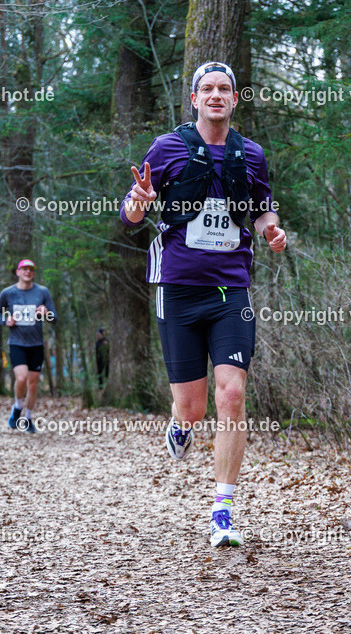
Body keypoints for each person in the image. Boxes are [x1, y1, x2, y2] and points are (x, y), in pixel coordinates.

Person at [119, 61, 287, 547]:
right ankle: (179, 423)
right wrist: (141, 199)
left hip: (231, 291)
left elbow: (262, 208)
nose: (216, 95)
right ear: (193, 99)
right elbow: (131, 213)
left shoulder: (251, 154)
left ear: (235, 99)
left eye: (224, 89)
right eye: (207, 89)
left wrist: (272, 230)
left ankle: (223, 512)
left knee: (232, 395)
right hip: (178, 290)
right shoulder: (168, 147)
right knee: (192, 409)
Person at [0, 259, 56, 433]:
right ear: (18, 272)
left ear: (34, 273)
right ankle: (17, 407)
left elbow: (54, 318)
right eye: (24, 269)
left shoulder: (42, 292)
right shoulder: (8, 293)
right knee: (21, 378)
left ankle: (28, 418)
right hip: (17, 343)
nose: (28, 272)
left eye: (31, 269)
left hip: (36, 344)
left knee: (33, 384)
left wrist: (46, 313)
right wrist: (5, 320)